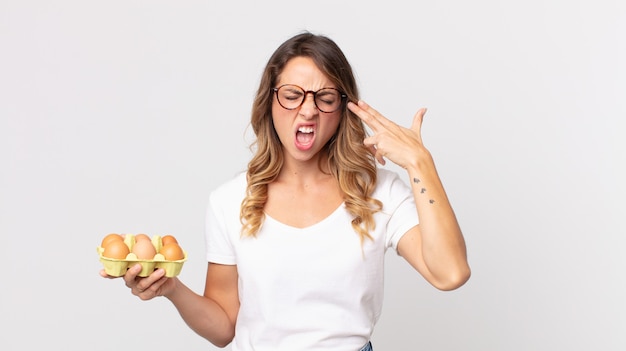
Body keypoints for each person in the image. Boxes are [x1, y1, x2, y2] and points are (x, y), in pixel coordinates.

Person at [100, 31, 470, 351]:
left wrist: (420, 163)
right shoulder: (229, 201)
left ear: (343, 110)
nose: (307, 111)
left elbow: (449, 273)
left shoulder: (379, 192)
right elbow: (224, 327)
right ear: (270, 102)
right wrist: (171, 289)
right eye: (292, 94)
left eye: (325, 98)